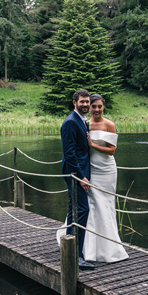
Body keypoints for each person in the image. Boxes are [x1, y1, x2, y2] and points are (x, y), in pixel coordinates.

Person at [83, 93, 128, 262]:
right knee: (92, 205)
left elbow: (112, 150)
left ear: (103, 107)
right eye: (93, 106)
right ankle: (90, 248)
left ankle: (109, 247)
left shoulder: (109, 124)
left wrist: (93, 144)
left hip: (106, 170)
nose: (96, 109)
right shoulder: (86, 124)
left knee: (105, 204)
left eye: (99, 106)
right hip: (91, 169)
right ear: (89, 107)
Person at [57, 89, 94, 270]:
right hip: (74, 172)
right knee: (82, 210)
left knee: (75, 211)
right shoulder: (71, 122)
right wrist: (81, 177)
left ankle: (70, 251)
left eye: (87, 101)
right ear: (74, 103)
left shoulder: (81, 120)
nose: (86, 104)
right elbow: (70, 154)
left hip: (78, 171)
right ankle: (77, 256)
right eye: (82, 102)